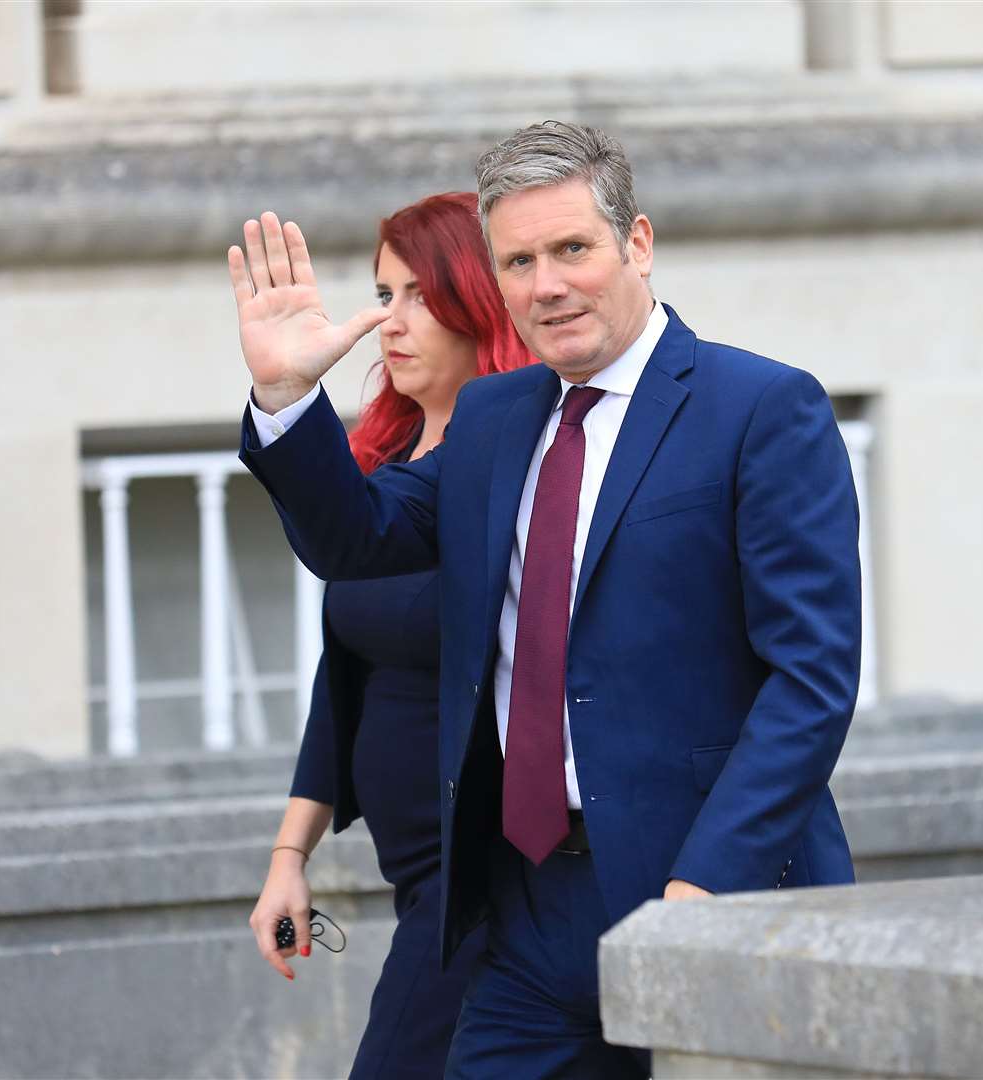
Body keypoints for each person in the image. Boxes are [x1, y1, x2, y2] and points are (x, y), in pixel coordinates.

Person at [230, 121, 861, 1078]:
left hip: (715, 897)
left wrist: (702, 887)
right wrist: (284, 399)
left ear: (636, 243)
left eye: (573, 248)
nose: (547, 284)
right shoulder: (493, 416)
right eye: (518, 261)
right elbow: (355, 538)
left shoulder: (761, 408)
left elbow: (810, 679)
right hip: (526, 914)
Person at [246, 192, 533, 1080]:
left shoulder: (522, 466)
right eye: (381, 292)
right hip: (415, 885)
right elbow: (349, 675)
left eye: (417, 295)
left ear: (478, 306)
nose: (386, 322)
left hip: (490, 882)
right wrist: (289, 854)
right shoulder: (385, 467)